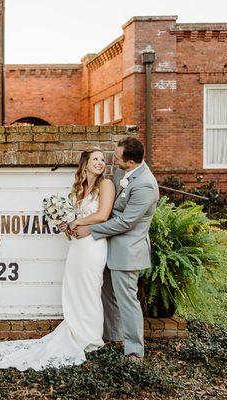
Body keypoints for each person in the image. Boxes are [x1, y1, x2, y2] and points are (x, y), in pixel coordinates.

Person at [0, 147, 115, 371]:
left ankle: (91, 338)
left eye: (102, 159)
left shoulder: (105, 185)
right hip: (77, 246)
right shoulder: (79, 189)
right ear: (85, 164)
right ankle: (77, 332)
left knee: (90, 288)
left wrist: (76, 223)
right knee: (75, 289)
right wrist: (66, 226)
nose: (100, 162)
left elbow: (103, 214)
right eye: (95, 159)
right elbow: (72, 220)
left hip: (94, 246)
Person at [74, 137, 159, 361]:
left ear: (130, 162)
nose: (114, 160)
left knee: (127, 301)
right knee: (107, 295)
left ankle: (134, 351)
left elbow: (125, 223)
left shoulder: (146, 185)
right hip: (106, 247)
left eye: (118, 158)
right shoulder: (123, 174)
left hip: (127, 252)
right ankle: (112, 336)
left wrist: (91, 230)